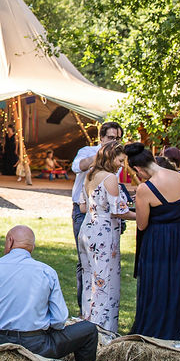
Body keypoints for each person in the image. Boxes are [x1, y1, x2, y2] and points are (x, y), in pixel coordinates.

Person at [128, 142, 180, 343]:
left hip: (160, 242)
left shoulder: (144, 189)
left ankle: (158, 332)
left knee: (161, 285)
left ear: (138, 168)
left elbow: (142, 224)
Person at [0, 225, 98, 361]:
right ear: (32, 246)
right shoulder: (47, 272)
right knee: (89, 329)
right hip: (37, 346)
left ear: (10, 241)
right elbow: (59, 320)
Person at [77, 141, 136, 332]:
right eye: (120, 160)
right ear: (111, 158)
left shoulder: (89, 175)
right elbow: (118, 211)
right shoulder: (110, 178)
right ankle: (103, 329)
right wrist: (143, 216)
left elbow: (83, 206)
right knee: (105, 280)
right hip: (104, 232)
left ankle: (87, 323)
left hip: (87, 229)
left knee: (89, 278)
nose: (121, 165)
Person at [70, 121, 123, 307]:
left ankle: (101, 306)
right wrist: (101, 155)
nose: (113, 142)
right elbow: (77, 167)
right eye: (110, 138)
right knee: (84, 260)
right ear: (101, 138)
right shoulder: (87, 151)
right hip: (82, 210)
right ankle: (84, 305)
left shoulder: (117, 160)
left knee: (106, 261)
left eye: (117, 139)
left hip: (107, 215)